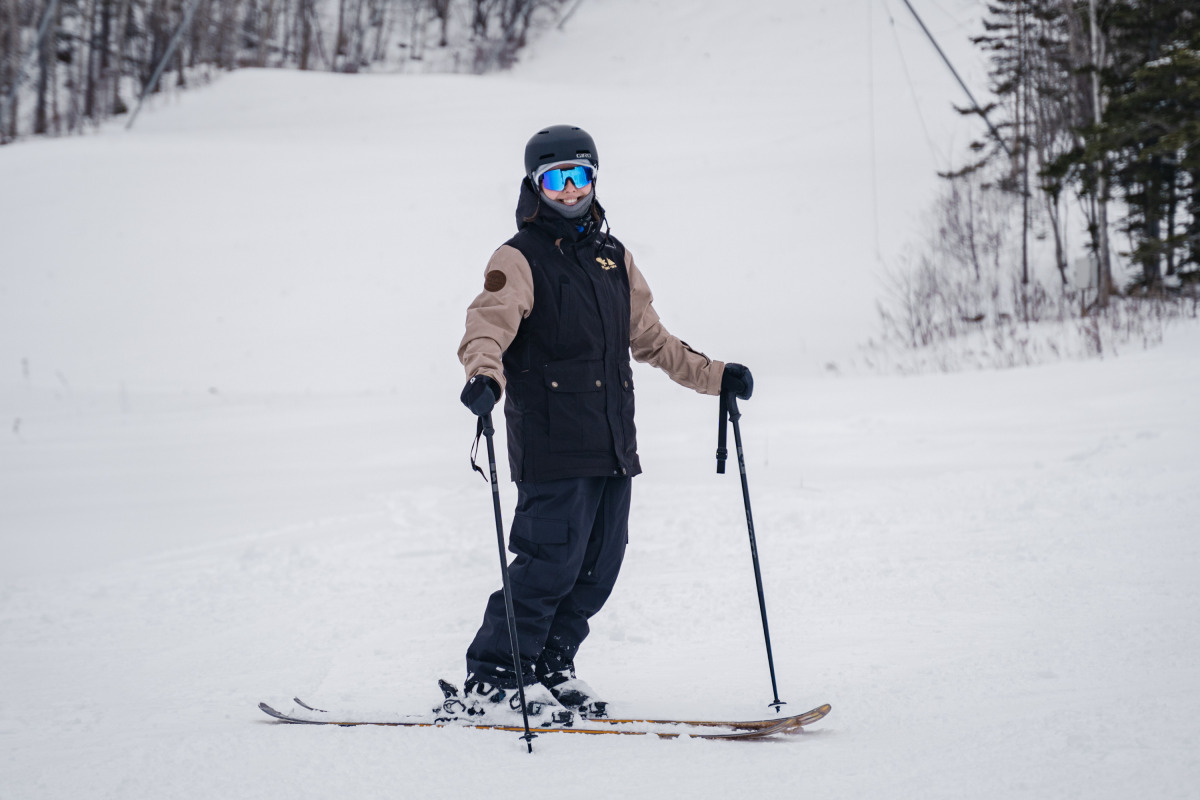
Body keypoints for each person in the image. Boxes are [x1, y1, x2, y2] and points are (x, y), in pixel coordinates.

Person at [456, 124, 753, 722]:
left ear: (594, 180)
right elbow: (487, 325)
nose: (569, 191)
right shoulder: (517, 258)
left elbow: (650, 338)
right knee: (548, 564)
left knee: (597, 567)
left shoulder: (612, 258)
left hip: (612, 439)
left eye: (579, 177)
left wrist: (714, 375)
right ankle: (494, 679)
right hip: (551, 439)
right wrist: (483, 375)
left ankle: (548, 667)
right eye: (556, 180)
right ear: (536, 187)